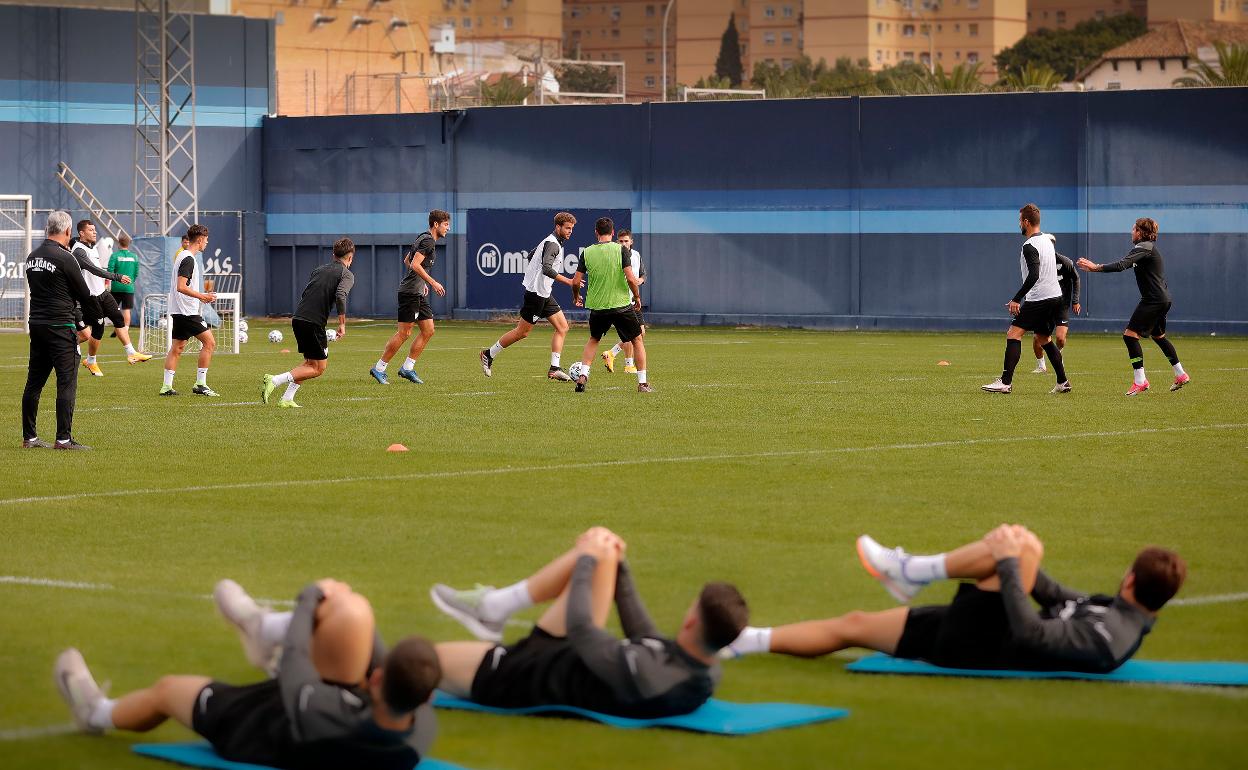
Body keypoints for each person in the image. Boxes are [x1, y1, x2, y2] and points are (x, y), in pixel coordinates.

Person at [54, 578, 440, 770]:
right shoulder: (420, 727)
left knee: (167, 691)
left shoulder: (322, 711)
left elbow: (293, 663)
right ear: (427, 698)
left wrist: (310, 598)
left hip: (258, 728)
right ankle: (261, 627)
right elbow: (374, 655)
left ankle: (95, 714)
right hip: (323, 713)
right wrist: (347, 607)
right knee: (353, 612)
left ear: (376, 680)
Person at [722, 526, 1186, 675]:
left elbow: (1030, 632)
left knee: (1025, 547)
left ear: (1129, 582)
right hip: (973, 632)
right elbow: (1056, 596)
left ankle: (911, 572)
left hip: (986, 642)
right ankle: (745, 641)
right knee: (855, 623)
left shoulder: (1111, 638)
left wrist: (1010, 564)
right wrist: (1010, 559)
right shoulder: (1116, 612)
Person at [429, 527, 748, 718]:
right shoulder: (701, 666)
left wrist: (585, 559)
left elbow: (582, 629)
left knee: (418, 662)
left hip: (526, 676)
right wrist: (620, 567)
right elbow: (646, 636)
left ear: (691, 621)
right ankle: (494, 608)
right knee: (605, 548)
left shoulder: (653, 676)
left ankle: (493, 609)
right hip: (564, 659)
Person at [1077, 218, 1190, 395]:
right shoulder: (1147, 248)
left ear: (1140, 232)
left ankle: (1140, 381)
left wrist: (1095, 267)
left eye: (1133, 229)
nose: (1131, 232)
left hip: (1153, 300)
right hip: (1163, 299)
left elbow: (1122, 265)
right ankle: (1181, 374)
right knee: (1159, 336)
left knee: (1130, 336)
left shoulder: (1144, 247)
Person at [21, 211, 96, 450]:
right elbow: (84, 294)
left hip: (37, 326)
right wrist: (89, 322)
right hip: (61, 326)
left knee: (34, 383)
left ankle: (29, 438)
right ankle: (63, 439)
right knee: (66, 382)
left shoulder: (32, 257)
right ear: (67, 231)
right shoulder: (65, 258)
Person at [982, 204, 1071, 395]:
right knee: (1044, 339)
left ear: (1026, 222)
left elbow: (1034, 275)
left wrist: (1016, 299)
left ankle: (1005, 382)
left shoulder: (1029, 246)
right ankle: (1063, 382)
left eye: (1019, 221)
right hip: (1055, 297)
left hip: (1040, 298)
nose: (1019, 225)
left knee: (1013, 334)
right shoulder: (1047, 241)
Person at [480, 212, 577, 381]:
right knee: (522, 332)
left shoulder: (550, 241)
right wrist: (569, 281)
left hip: (543, 292)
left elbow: (532, 255)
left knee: (562, 327)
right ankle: (488, 354)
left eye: (571, 229)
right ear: (558, 227)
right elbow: (546, 268)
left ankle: (554, 368)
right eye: (567, 228)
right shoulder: (553, 244)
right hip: (536, 294)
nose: (570, 231)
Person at [263, 238, 356, 408]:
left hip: (298, 318)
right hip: (313, 323)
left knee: (309, 364)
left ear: (333, 254)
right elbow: (341, 295)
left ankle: (287, 398)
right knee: (319, 368)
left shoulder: (318, 270)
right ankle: (275, 380)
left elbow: (306, 293)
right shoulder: (346, 274)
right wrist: (342, 323)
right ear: (350, 258)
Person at [567, 217, 648, 393]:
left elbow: (576, 281)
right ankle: (642, 383)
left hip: (597, 306)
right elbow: (630, 278)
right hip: (621, 305)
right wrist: (637, 296)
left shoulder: (587, 252)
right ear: (612, 233)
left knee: (593, 340)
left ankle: (583, 375)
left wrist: (576, 296)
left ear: (596, 232)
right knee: (637, 339)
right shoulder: (621, 250)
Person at [370, 211, 449, 385]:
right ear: (436, 224)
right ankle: (379, 368)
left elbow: (407, 260)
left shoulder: (422, 237)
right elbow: (414, 264)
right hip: (410, 294)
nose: (448, 228)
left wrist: (423, 283)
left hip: (417, 292)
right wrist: (432, 282)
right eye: (445, 224)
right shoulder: (428, 241)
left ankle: (407, 368)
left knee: (428, 330)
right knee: (404, 333)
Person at [68, 220, 150, 375]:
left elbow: (98, 270)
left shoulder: (92, 248)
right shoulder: (79, 251)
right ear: (81, 233)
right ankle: (90, 361)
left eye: (94, 229)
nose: (94, 232)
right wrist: (116, 277)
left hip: (102, 293)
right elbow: (93, 270)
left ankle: (131, 353)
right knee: (97, 329)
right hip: (90, 297)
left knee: (118, 319)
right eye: (90, 230)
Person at [161, 224, 219, 397]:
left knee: (177, 347)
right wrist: (202, 296)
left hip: (179, 309)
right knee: (210, 343)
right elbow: (181, 286)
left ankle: (166, 386)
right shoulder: (188, 258)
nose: (207, 243)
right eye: (206, 240)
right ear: (200, 240)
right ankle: (200, 384)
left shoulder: (183, 255)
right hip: (187, 311)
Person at [1031, 233, 1079, 374]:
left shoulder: (1065, 262)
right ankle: (1041, 365)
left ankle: (1057, 357)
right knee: (1037, 338)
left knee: (1060, 338)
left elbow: (1076, 279)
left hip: (1061, 305)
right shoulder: (1038, 263)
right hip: (1044, 304)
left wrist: (1075, 300)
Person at [600, 228, 646, 375]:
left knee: (640, 333)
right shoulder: (615, 255)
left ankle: (612, 354)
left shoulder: (637, 255)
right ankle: (628, 365)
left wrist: (640, 280)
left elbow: (642, 274)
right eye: (621, 241)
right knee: (633, 334)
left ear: (631, 241)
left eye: (626, 241)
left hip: (633, 298)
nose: (624, 243)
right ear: (616, 242)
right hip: (622, 300)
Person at [107, 233, 140, 338]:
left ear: (118, 243)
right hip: (128, 287)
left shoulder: (114, 256)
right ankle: (125, 330)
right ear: (129, 244)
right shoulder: (134, 257)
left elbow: (110, 271)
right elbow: (136, 273)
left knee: (114, 309)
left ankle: (117, 329)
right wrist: (130, 281)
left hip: (116, 287)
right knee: (126, 310)